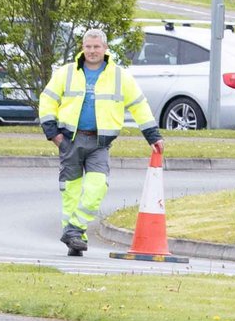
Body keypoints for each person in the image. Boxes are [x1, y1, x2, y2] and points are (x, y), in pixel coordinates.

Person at [39, 27, 158, 256]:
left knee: (96, 187)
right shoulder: (66, 73)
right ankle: (75, 239)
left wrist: (152, 136)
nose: (92, 51)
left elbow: (139, 105)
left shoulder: (119, 76)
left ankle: (74, 229)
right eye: (88, 46)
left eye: (96, 47)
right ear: (82, 48)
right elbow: (47, 100)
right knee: (71, 193)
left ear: (105, 49)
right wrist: (53, 134)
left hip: (99, 143)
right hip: (70, 140)